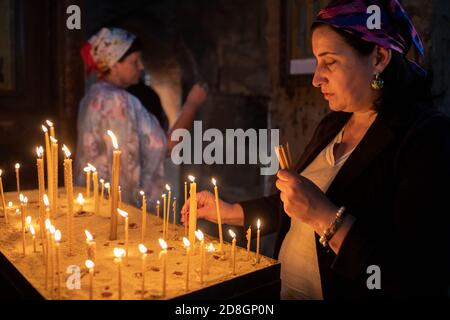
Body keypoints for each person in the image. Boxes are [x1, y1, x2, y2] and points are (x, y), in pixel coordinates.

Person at [181, 0, 450, 299]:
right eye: (316, 61)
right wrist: (230, 212)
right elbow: (297, 204)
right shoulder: (333, 124)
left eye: (330, 62)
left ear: (379, 58)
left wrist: (327, 218)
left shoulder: (425, 136)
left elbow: (415, 278)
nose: (316, 78)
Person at [75, 27, 207, 204]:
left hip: (91, 200)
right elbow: (167, 146)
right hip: (118, 205)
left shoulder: (92, 96)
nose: (141, 67)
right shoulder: (121, 102)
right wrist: (192, 103)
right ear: (114, 64)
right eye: (134, 61)